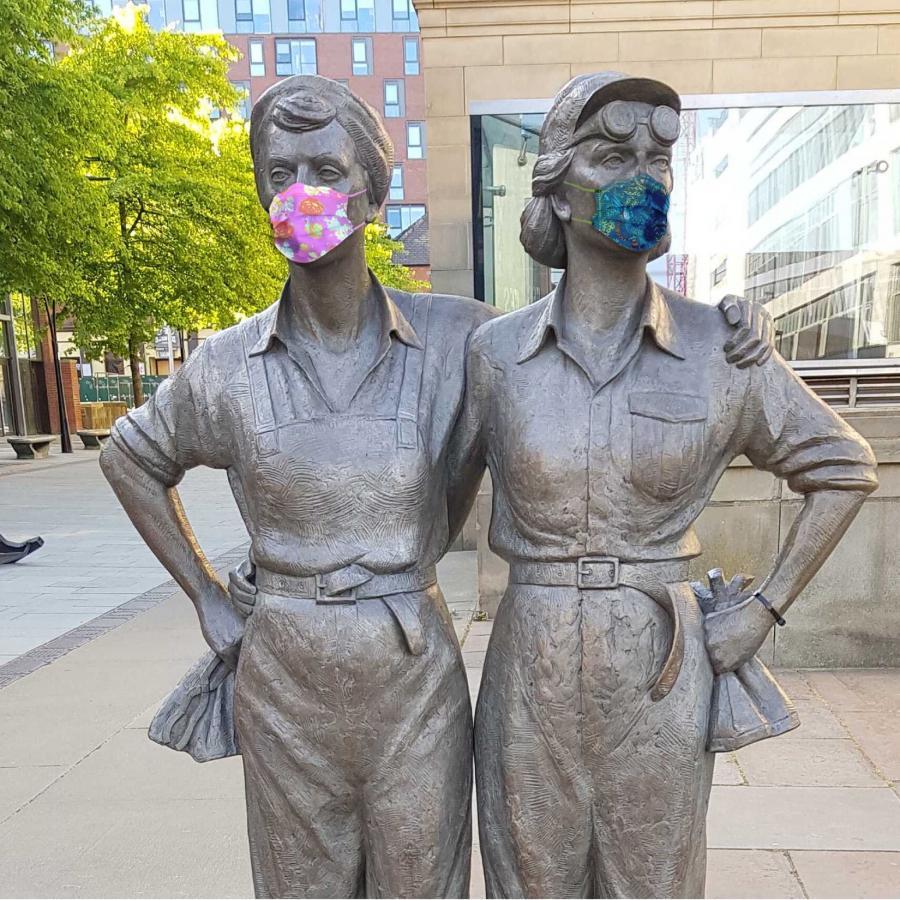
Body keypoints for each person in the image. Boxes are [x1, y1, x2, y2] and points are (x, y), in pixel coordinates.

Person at [100, 75, 773, 898]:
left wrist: (724, 327)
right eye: (281, 173)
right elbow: (129, 457)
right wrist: (207, 595)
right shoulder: (225, 364)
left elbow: (578, 342)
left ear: (373, 193)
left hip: (410, 662)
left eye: (328, 170)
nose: (303, 193)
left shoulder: (465, 337)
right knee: (296, 883)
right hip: (284, 669)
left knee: (425, 880)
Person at [457, 72, 878, 898]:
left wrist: (763, 612)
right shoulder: (494, 354)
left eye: (658, 159)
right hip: (530, 657)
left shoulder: (719, 348)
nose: (642, 175)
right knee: (528, 880)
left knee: (655, 879)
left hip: (661, 659)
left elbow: (844, 465)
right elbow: (422, 498)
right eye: (613, 155)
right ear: (561, 192)